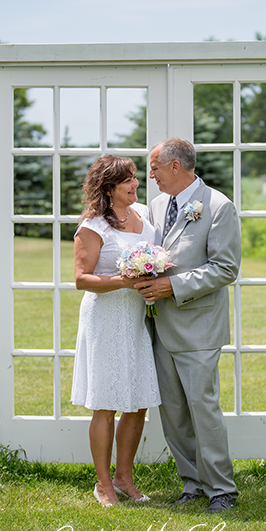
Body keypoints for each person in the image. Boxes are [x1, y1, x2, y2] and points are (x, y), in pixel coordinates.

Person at [134, 138, 241, 513]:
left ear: (176, 166)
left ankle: (222, 489)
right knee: (174, 410)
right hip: (159, 325)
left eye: (155, 168)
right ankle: (191, 483)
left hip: (198, 326)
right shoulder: (157, 205)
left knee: (202, 406)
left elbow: (226, 268)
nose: (151, 176)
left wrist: (172, 286)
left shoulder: (218, 206)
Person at [71, 154, 161, 507]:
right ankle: (103, 484)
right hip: (104, 320)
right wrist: (123, 281)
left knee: (137, 403)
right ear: (109, 187)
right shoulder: (94, 226)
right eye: (129, 180)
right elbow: (82, 279)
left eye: (136, 178)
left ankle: (125, 477)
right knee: (106, 403)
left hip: (136, 320)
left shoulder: (145, 221)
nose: (136, 184)